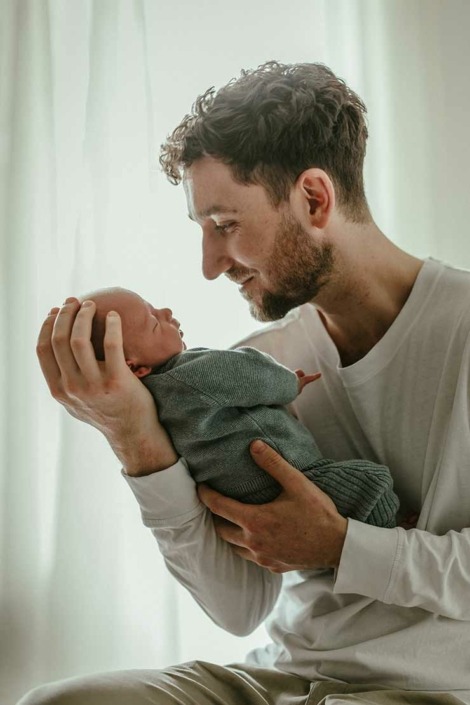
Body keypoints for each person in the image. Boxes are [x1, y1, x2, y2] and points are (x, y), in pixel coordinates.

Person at [25, 60, 470, 704]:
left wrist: (344, 545)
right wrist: (136, 437)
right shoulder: (249, 368)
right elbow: (240, 607)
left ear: (314, 199)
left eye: (225, 226)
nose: (209, 266)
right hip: (276, 680)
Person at [80, 285, 398, 523]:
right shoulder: (191, 373)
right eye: (153, 322)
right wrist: (290, 383)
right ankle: (391, 526)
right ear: (136, 368)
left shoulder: (148, 403)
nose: (165, 313)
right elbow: (248, 373)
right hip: (294, 473)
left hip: (243, 498)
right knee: (373, 484)